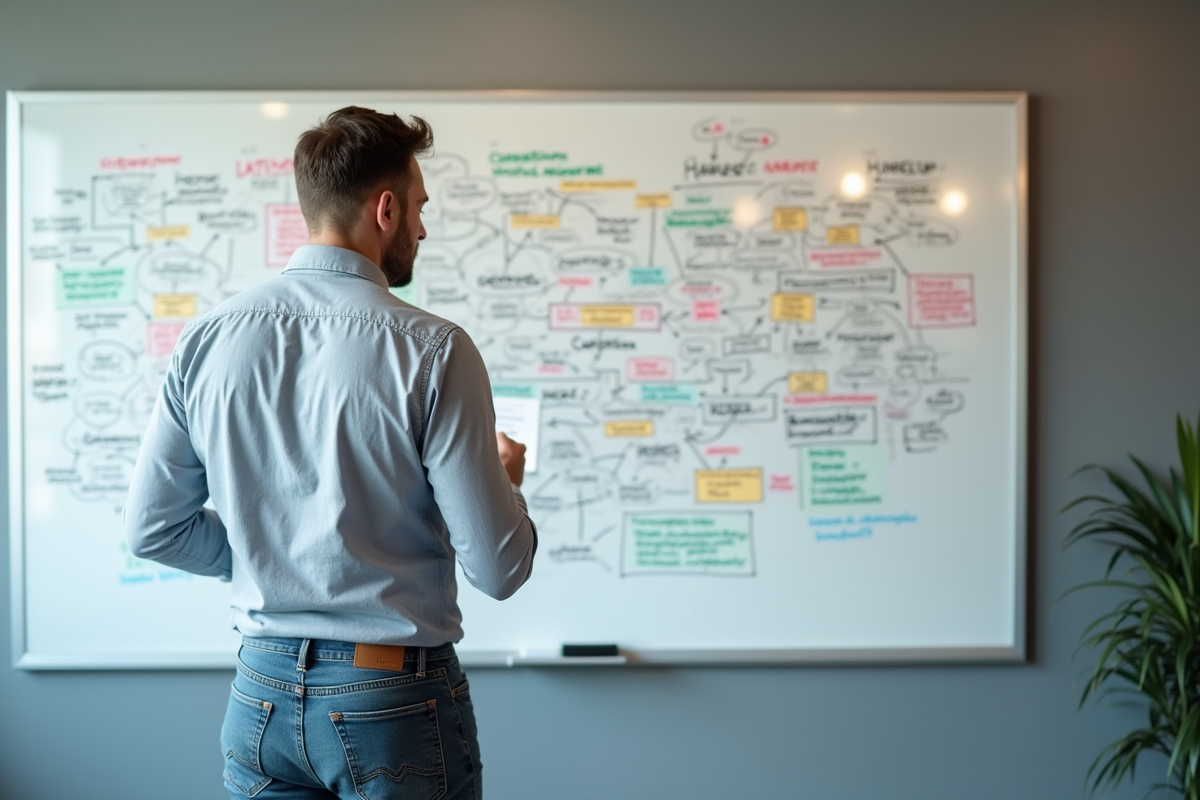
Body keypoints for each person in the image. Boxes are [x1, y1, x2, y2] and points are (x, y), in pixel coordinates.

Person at [124, 106, 538, 800]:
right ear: (385, 209)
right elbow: (499, 570)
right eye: (418, 207)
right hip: (392, 702)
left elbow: (152, 529)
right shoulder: (435, 351)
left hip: (259, 697)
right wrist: (507, 484)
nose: (423, 227)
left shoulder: (206, 341)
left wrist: (273, 555)